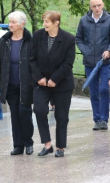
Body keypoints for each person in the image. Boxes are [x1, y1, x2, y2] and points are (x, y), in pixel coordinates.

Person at [30, 11, 76, 157]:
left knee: (61, 115)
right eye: (44, 21)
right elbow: (32, 59)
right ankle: (47, 144)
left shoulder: (68, 39)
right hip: (42, 83)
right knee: (39, 110)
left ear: (56, 23)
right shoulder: (38, 36)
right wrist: (39, 77)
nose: (44, 25)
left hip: (62, 84)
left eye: (47, 22)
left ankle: (60, 147)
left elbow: (68, 63)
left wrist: (54, 79)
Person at [0, 11, 34, 156]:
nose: (10, 25)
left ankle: (28, 143)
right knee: (15, 114)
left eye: (14, 22)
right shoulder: (4, 41)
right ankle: (18, 145)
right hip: (9, 85)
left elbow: (36, 64)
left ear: (22, 24)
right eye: (10, 22)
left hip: (26, 85)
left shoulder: (30, 41)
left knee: (24, 113)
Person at [75, 0, 110, 131]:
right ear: (90, 7)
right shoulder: (84, 20)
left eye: (99, 5)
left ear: (103, 4)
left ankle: (104, 120)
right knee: (93, 92)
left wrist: (109, 50)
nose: (97, 8)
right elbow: (78, 39)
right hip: (89, 62)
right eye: (94, 6)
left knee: (104, 89)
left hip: (105, 62)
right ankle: (97, 119)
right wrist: (86, 51)